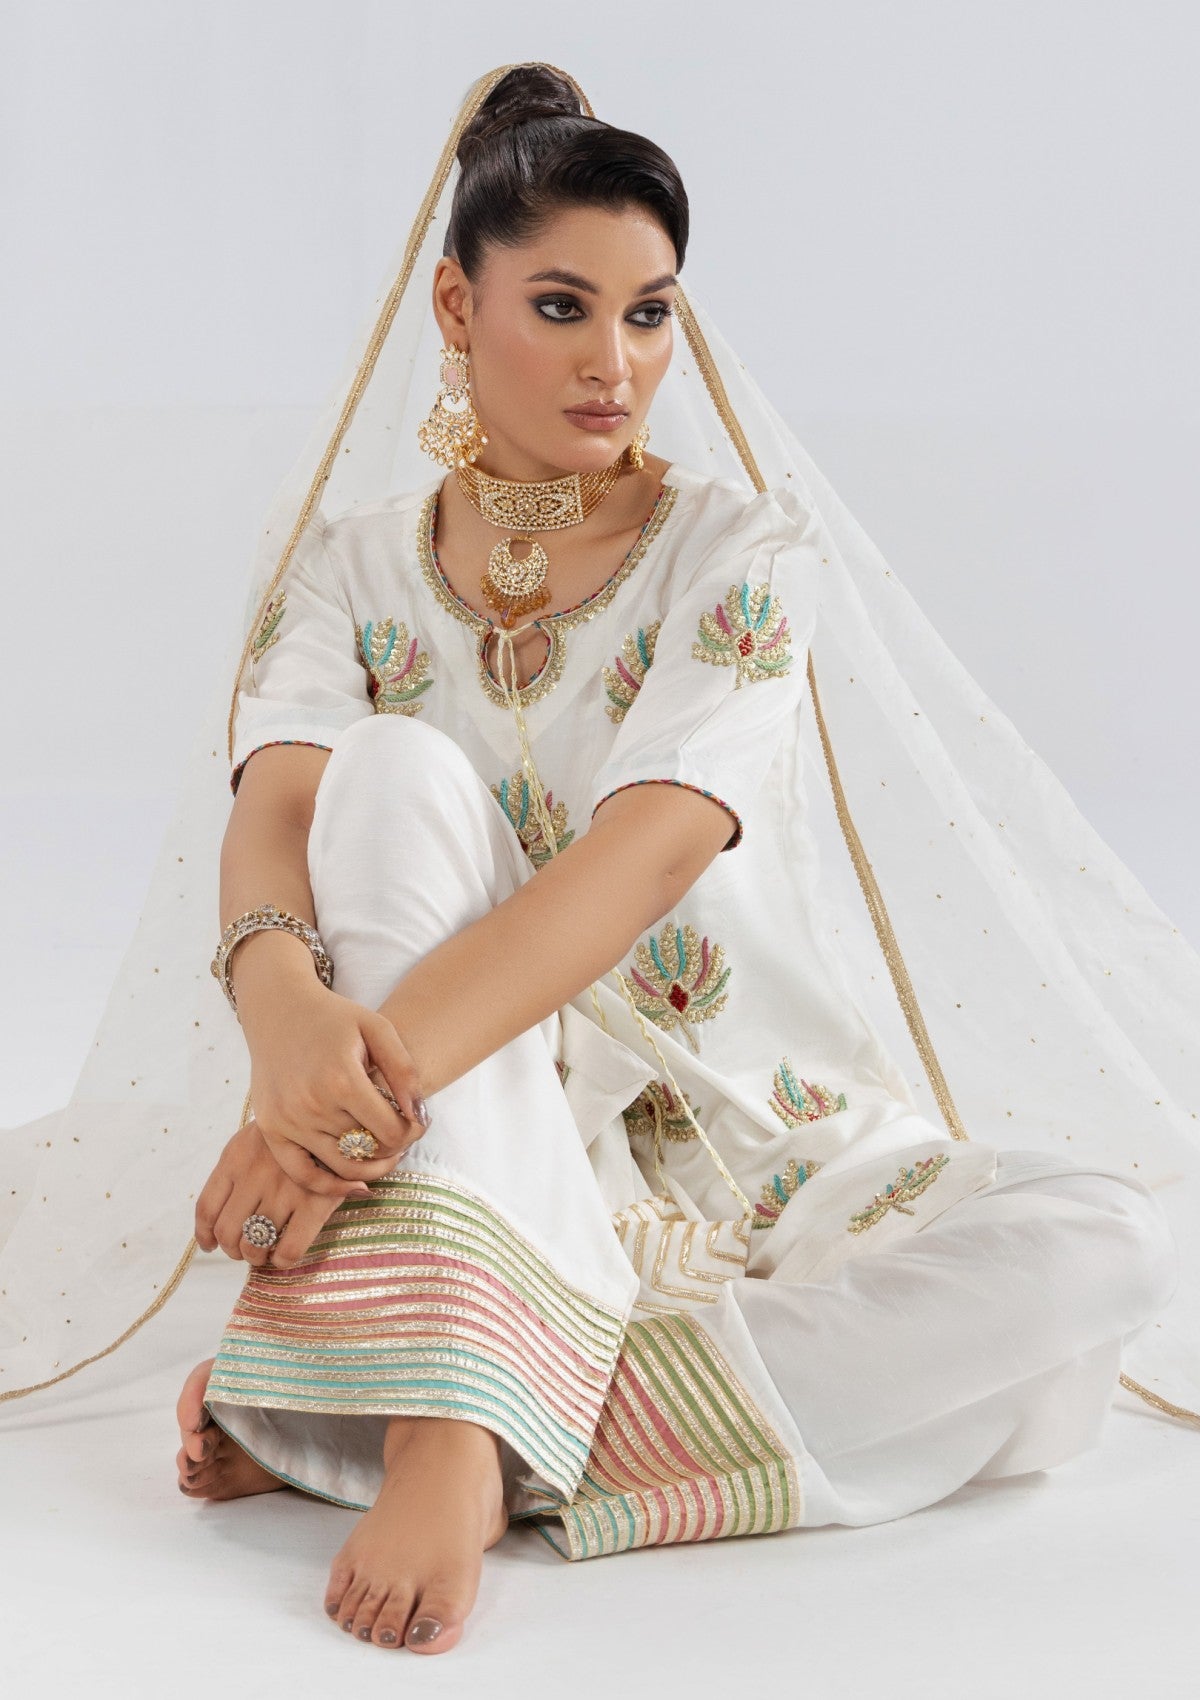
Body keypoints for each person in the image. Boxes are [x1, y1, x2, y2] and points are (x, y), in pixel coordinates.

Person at [5, 61, 1196, 1660]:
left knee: (1098, 1256)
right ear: (457, 303)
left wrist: (321, 1128)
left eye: (650, 316)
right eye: (563, 306)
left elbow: (646, 859)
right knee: (396, 775)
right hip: (461, 1142)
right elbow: (275, 813)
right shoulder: (348, 570)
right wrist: (285, 1026)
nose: (614, 362)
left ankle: (426, 1400)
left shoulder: (738, 554)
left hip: (739, 1124)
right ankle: (451, 1421)